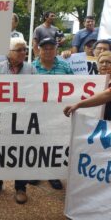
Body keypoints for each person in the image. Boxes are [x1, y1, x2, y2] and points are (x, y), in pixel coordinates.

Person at [0, 38, 36, 204]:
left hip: (22, 118)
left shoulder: (31, 69)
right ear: (9, 52)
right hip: (1, 118)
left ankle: (20, 188)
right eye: (19, 50)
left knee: (21, 153)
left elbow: (37, 92)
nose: (23, 53)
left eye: (24, 49)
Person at [32, 37, 73, 190]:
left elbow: (77, 86)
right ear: (39, 49)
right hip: (38, 112)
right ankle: (36, 172)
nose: (48, 51)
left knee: (54, 143)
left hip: (58, 113)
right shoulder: (31, 67)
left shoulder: (65, 67)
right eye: (45, 48)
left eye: (51, 48)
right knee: (36, 142)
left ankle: (52, 173)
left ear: (56, 49)